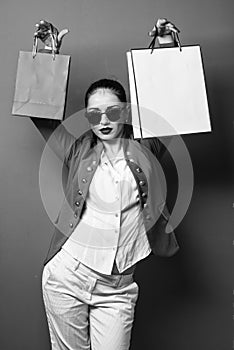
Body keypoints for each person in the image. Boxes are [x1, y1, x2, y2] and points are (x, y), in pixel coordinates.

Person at [31, 18, 180, 350]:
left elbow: (174, 109)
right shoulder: (78, 150)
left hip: (118, 288)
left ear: (125, 112)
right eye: (94, 114)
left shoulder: (148, 149)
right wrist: (46, 56)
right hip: (66, 276)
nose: (103, 121)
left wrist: (168, 48)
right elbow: (41, 115)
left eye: (112, 112)